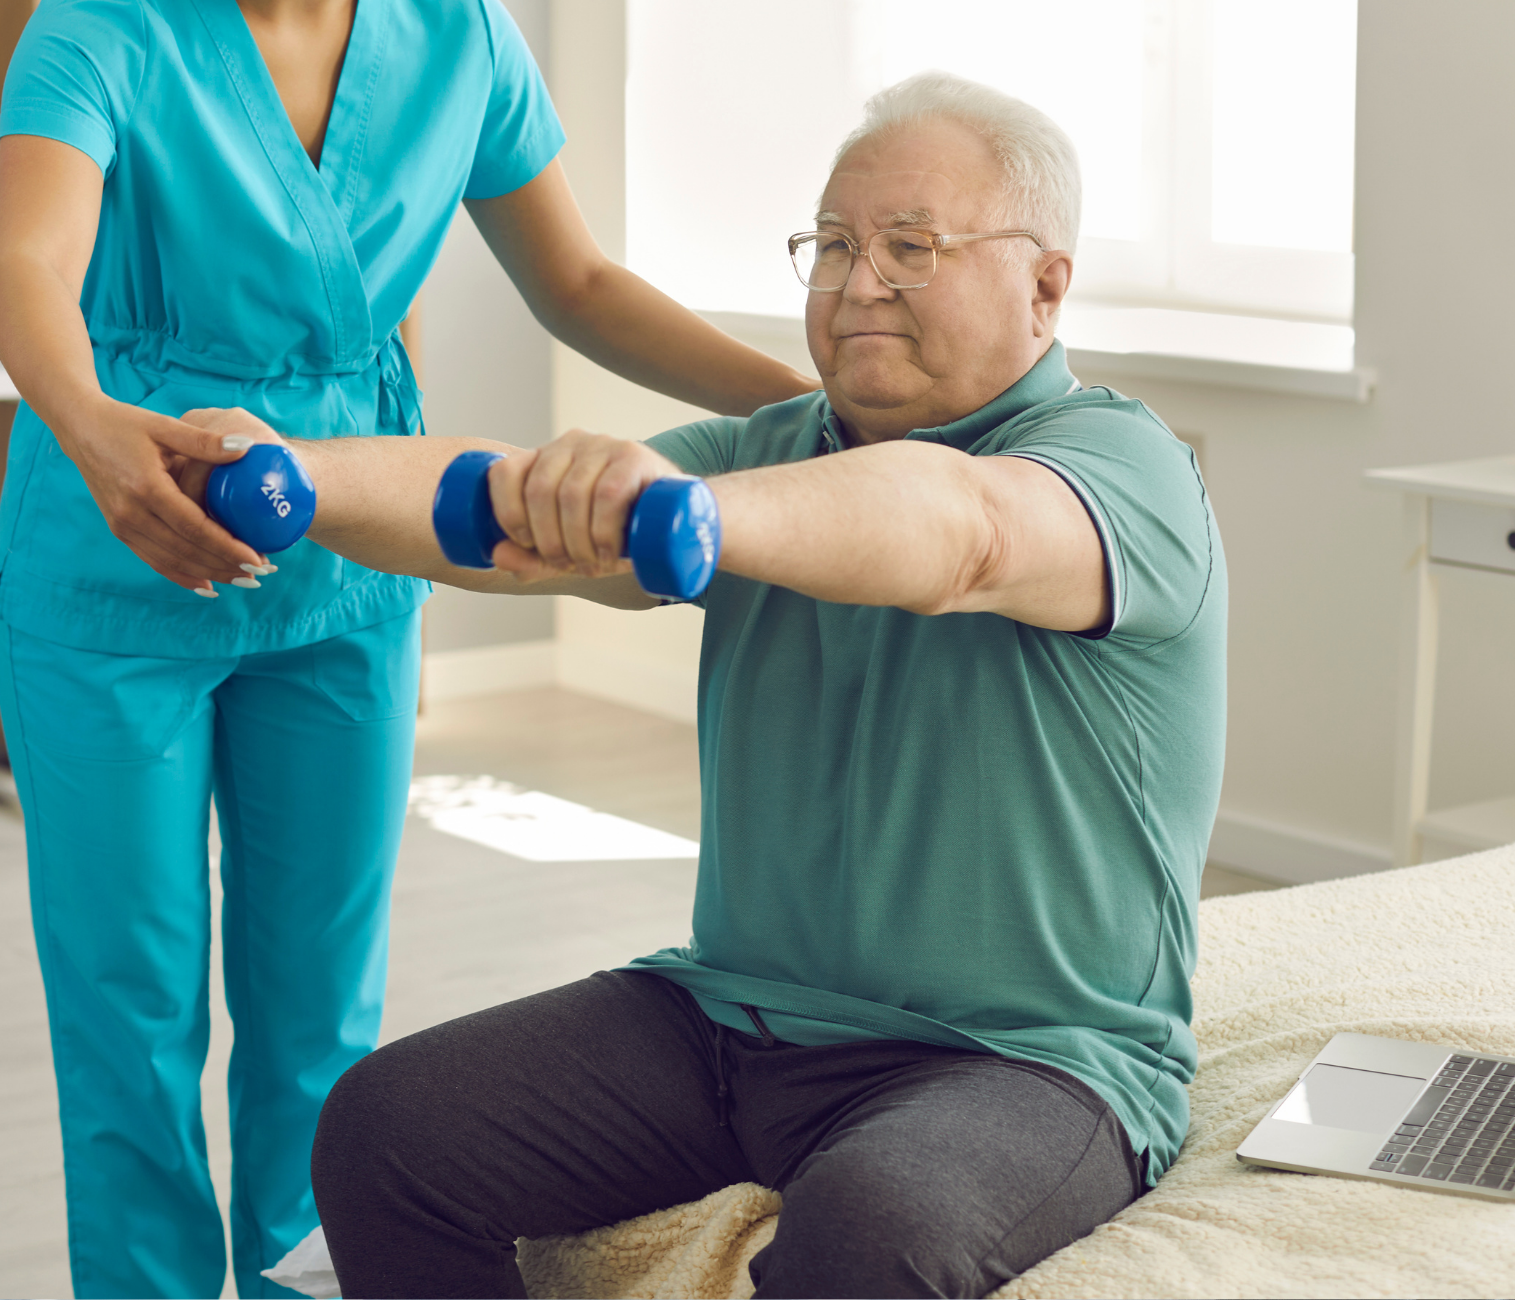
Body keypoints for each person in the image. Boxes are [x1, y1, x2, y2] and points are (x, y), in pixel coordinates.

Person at [186, 70, 1226, 1298]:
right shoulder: (770, 447)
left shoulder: (1118, 464)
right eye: (833, 245)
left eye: (910, 247)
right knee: (385, 1128)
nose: (857, 283)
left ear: (1045, 284)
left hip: (1024, 1059)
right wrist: (296, 472)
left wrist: (686, 515)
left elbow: (959, 532)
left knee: (873, 1224)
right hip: (728, 1017)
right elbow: (499, 516)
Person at [0, 1, 817, 1296]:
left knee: (319, 1013)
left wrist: (824, 418)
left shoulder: (460, 38)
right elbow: (30, 272)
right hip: (116, 561)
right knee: (127, 1010)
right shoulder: (101, 26)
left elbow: (580, 284)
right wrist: (94, 432)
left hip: (350, 549)